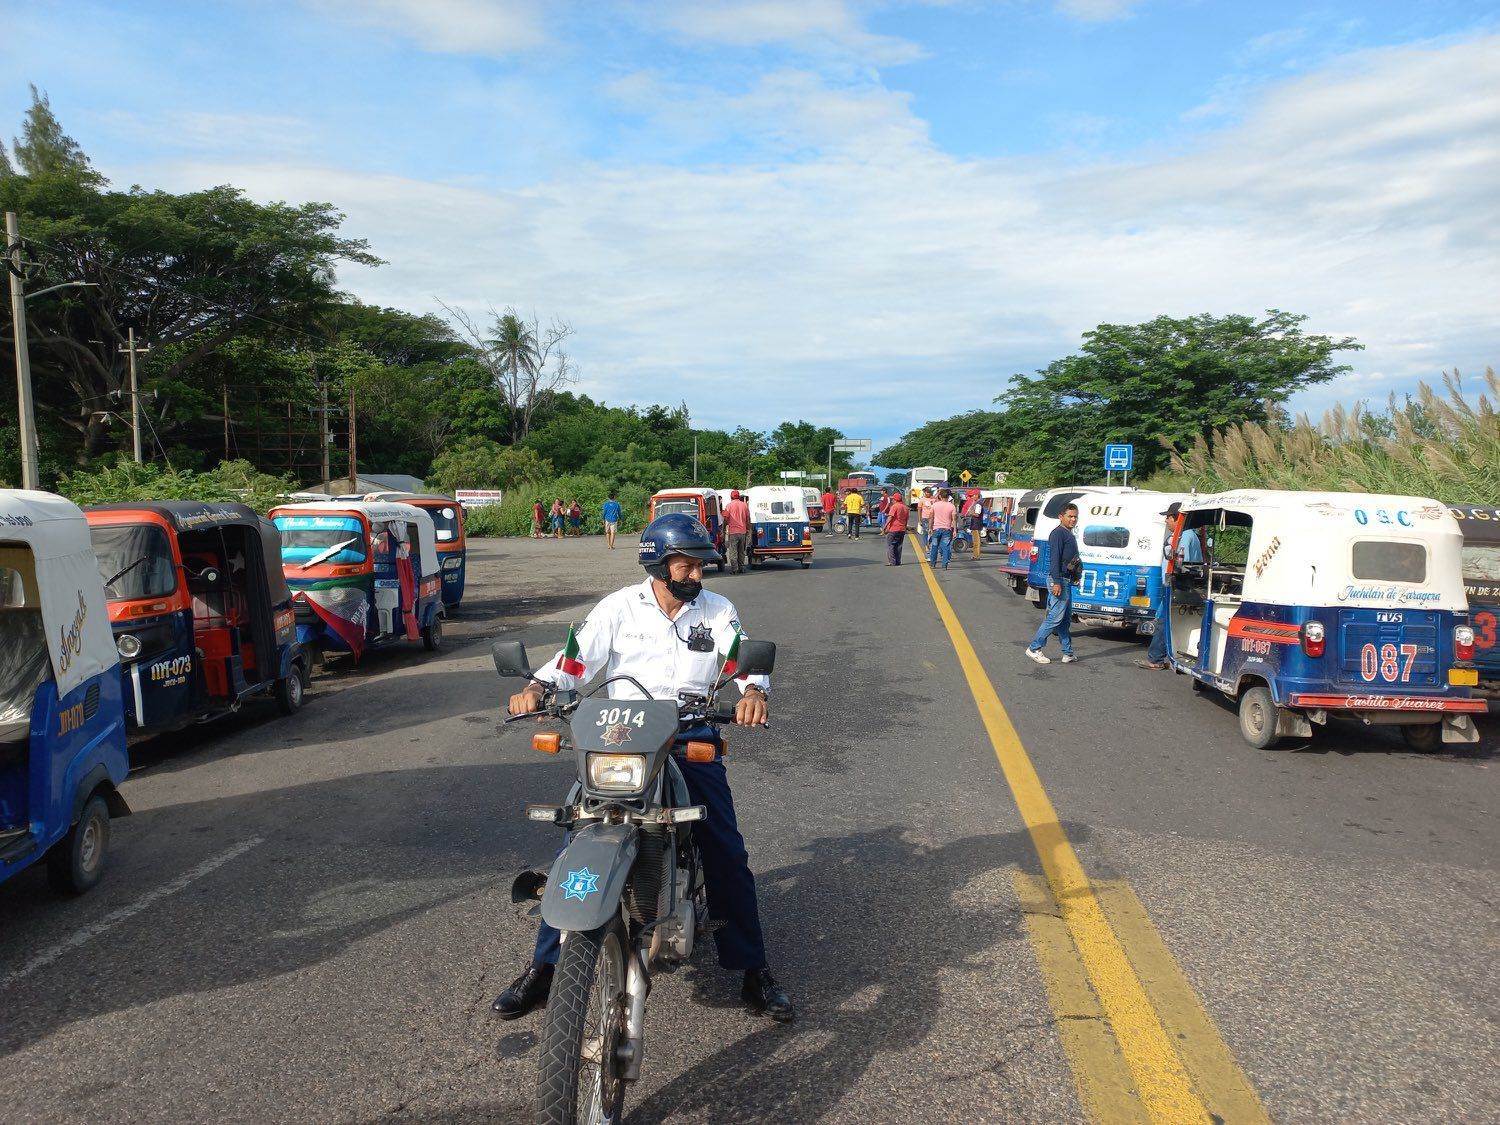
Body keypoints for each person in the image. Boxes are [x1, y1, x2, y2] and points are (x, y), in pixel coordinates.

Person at [492, 514, 794, 1024]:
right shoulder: (618, 608)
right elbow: (575, 661)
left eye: (700, 565)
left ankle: (752, 968)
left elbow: (743, 658)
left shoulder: (717, 610)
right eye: (688, 564)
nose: (697, 575)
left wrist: (754, 692)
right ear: (659, 561)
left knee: (725, 848)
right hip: (619, 738)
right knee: (575, 842)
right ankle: (545, 969)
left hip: (689, 733)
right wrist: (538, 689)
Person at [1137, 508, 1203, 670]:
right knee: (1164, 620)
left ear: (1177, 519)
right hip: (1177, 586)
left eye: (1168, 518)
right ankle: (1162, 656)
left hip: (1176, 586)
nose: (1166, 521)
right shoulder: (1187, 535)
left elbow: (1181, 564)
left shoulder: (1185, 537)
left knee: (1163, 621)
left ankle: (1156, 659)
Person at [1026, 503, 1080, 664]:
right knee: (1055, 618)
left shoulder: (1068, 533)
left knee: (1064, 619)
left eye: (1075, 516)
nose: (1073, 519)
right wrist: (1057, 581)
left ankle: (1068, 653)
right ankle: (1034, 648)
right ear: (1061, 517)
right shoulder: (1058, 534)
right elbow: (1054, 559)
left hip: (1066, 579)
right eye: (1070, 516)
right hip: (1059, 580)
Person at [927, 488, 957, 568]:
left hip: (936, 529)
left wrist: (930, 528)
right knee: (946, 547)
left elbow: (931, 518)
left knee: (934, 546)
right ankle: (945, 565)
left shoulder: (935, 505)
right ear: (948, 497)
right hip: (947, 529)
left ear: (940, 496)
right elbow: (954, 519)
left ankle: (933, 564)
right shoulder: (952, 506)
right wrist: (955, 530)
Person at [723, 488, 752, 574]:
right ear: (739, 497)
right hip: (743, 532)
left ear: (731, 497)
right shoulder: (744, 505)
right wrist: (748, 529)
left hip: (733, 532)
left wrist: (724, 529)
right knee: (741, 551)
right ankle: (741, 568)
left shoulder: (729, 505)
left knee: (733, 552)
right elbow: (748, 519)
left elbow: (725, 518)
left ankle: (734, 569)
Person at [884, 489, 910, 566]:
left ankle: (892, 561)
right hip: (902, 529)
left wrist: (885, 526)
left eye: (893, 499)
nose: (892, 501)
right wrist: (905, 528)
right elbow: (906, 519)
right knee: (899, 545)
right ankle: (898, 561)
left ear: (895, 500)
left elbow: (890, 517)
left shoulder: (894, 507)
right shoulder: (905, 507)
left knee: (890, 545)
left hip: (893, 529)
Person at [964, 490, 985, 560]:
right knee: (976, 540)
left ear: (977, 495)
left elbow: (977, 514)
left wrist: (970, 513)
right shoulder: (977, 503)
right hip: (976, 524)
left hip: (976, 524)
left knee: (976, 541)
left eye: (973, 495)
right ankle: (975, 555)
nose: (972, 497)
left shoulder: (978, 504)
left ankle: (976, 556)